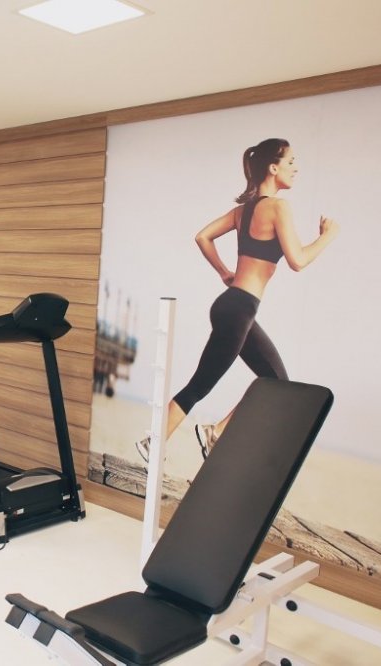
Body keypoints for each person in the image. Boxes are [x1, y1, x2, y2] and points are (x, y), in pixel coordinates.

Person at [137, 138, 339, 462]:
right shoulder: (279, 207)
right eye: (291, 162)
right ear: (273, 168)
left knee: (276, 382)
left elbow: (202, 236)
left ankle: (214, 433)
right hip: (239, 309)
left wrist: (224, 273)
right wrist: (328, 236)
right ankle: (154, 442)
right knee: (201, 385)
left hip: (235, 307)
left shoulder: (242, 212)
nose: (296, 168)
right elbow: (298, 261)